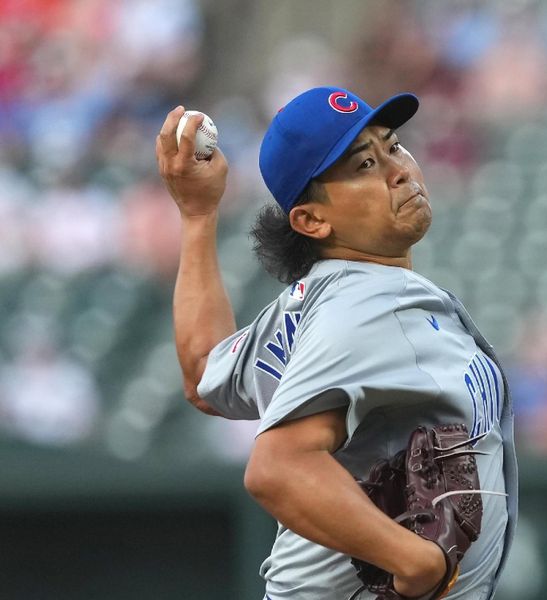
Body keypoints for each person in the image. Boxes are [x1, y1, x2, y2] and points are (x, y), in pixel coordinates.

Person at [155, 86, 517, 600]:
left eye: (393, 146)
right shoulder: (363, 306)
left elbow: (202, 371)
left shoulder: (314, 303)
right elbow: (278, 468)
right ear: (311, 220)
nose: (399, 170)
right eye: (366, 164)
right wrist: (413, 561)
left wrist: (197, 216)